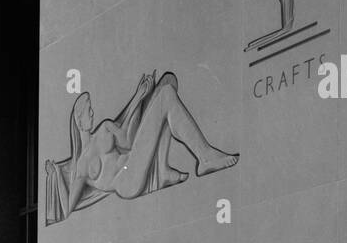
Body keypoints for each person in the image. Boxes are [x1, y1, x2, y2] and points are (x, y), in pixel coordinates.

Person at [45, 71, 237, 223]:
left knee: (167, 85)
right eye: (88, 110)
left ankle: (164, 169)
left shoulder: (105, 127)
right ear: (79, 120)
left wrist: (138, 97)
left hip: (133, 164)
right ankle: (205, 158)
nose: (92, 114)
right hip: (125, 183)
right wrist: (55, 174)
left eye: (91, 109)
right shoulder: (81, 165)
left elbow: (128, 142)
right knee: (166, 95)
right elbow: (67, 208)